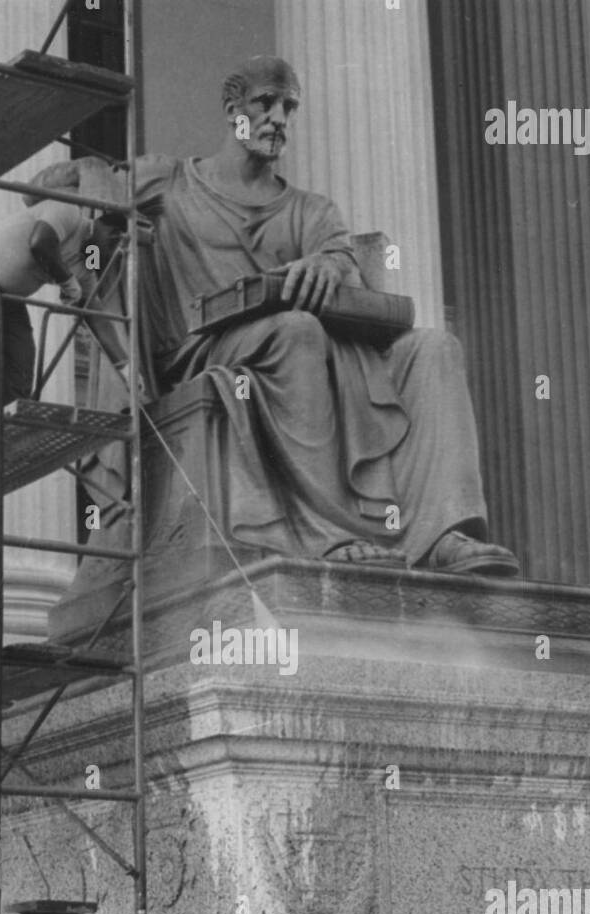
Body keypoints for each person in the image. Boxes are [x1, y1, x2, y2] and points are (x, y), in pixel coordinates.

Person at [127, 56, 518, 576]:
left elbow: (343, 265)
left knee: (434, 347)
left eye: (288, 107)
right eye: (264, 104)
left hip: (319, 358)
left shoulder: (312, 210)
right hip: (207, 351)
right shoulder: (170, 182)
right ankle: (327, 536)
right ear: (232, 112)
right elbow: (66, 188)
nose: (278, 118)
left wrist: (331, 263)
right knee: (296, 330)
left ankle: (443, 532)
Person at [0, 160, 131, 424]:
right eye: (114, 239)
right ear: (105, 227)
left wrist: (126, 367)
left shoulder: (85, 262)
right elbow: (41, 242)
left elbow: (94, 314)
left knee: (19, 355)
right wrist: (66, 281)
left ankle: (9, 427)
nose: (112, 248)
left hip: (6, 291)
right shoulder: (68, 211)